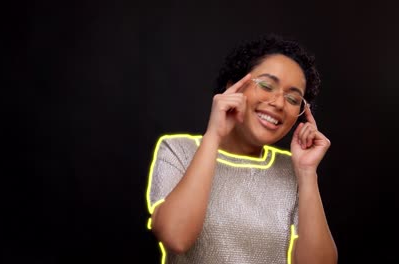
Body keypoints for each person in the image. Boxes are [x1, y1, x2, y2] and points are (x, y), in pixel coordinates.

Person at [145, 33, 338, 264]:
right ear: (233, 87)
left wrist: (307, 174)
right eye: (266, 85)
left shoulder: (293, 170)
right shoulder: (179, 151)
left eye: (293, 99)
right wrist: (213, 136)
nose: (278, 103)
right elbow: (175, 238)